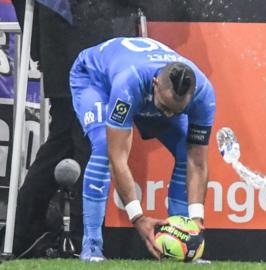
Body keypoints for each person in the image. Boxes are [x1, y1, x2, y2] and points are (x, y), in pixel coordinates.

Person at [8, 0, 138, 257]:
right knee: (87, 143)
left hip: (63, 45)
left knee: (65, 139)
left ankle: (24, 231)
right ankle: (80, 239)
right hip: (90, 47)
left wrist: (38, 45)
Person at [69, 37, 216, 261]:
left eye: (177, 111)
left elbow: (197, 161)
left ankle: (182, 236)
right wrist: (137, 217)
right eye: (165, 108)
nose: (168, 116)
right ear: (156, 83)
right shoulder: (130, 82)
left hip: (142, 91)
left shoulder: (204, 95)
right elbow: (116, 158)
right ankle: (92, 245)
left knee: (186, 149)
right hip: (95, 80)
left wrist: (196, 220)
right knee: (103, 145)